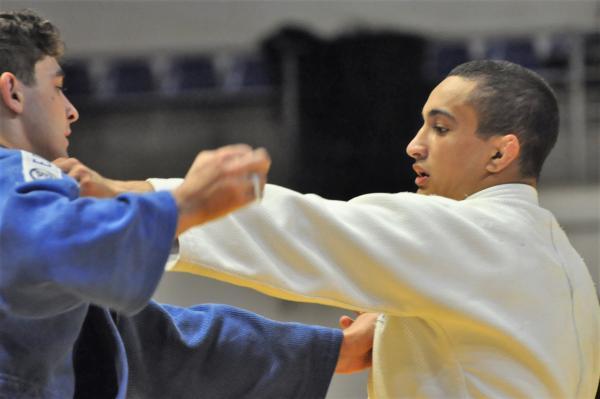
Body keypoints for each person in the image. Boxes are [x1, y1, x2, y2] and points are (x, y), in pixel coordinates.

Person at [88, 59, 600, 398]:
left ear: (500, 152)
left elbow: (302, 229)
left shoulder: (475, 236)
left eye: (441, 128)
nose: (415, 145)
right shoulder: (568, 269)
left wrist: (148, 202)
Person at [0, 9, 376, 399]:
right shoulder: (13, 177)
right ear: (12, 92)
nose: (71, 109)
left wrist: (330, 352)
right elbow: (52, 245)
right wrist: (184, 203)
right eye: (57, 87)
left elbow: (159, 348)